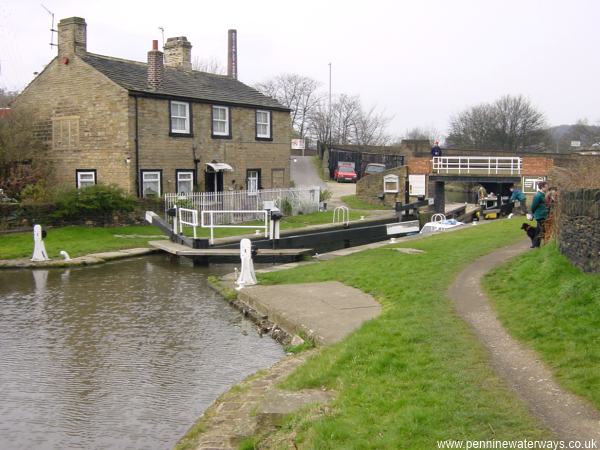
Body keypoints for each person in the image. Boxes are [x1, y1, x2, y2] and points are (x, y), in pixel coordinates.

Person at [530, 181, 549, 248]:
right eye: (546, 187)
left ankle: (535, 245)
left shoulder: (543, 194)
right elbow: (533, 206)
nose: (547, 188)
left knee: (538, 230)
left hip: (543, 214)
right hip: (540, 215)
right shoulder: (538, 195)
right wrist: (532, 213)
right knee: (542, 230)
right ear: (542, 187)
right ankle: (542, 244)